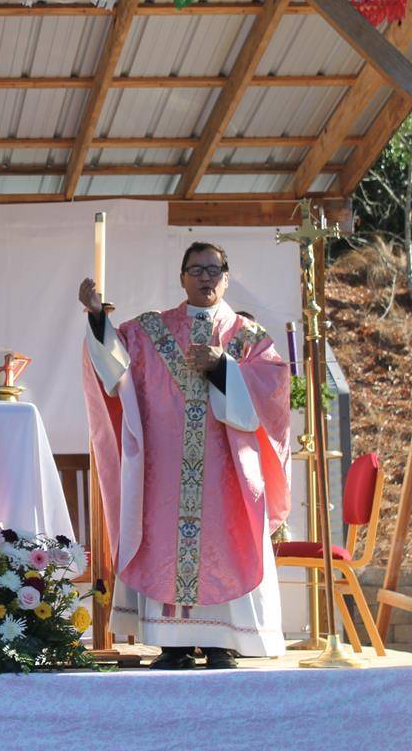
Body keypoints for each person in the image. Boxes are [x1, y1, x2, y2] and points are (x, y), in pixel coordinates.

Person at [79, 241, 291, 670]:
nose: (206, 277)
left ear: (227, 277)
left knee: (226, 542)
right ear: (181, 278)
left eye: (214, 270)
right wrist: (99, 317)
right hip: (166, 472)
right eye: (196, 270)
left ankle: (223, 642)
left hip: (226, 474)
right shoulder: (151, 330)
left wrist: (224, 368)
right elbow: (114, 365)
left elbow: (273, 391)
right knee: (165, 542)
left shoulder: (247, 337)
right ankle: (171, 643)